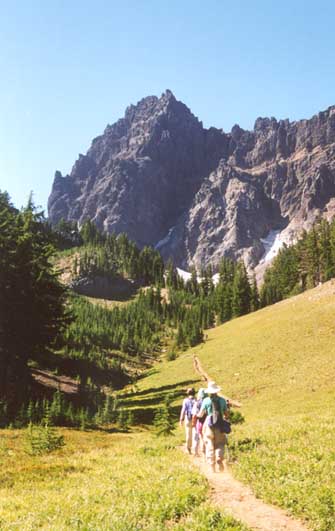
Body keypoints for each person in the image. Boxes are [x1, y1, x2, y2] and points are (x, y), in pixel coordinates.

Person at [197, 381, 229, 472]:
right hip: (219, 424)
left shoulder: (206, 401)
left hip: (208, 425)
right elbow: (226, 414)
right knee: (220, 443)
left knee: (209, 444)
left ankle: (212, 466)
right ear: (217, 391)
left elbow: (201, 414)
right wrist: (225, 415)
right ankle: (219, 457)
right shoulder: (222, 400)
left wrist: (198, 416)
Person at [179, 387, 196, 454]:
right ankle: (195, 448)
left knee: (188, 433)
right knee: (195, 434)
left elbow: (183, 410)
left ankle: (188, 448)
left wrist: (181, 419)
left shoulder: (185, 400)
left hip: (188, 418)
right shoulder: (196, 400)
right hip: (195, 419)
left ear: (188, 393)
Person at [192, 388, 207, 457]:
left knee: (201, 438)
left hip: (200, 422)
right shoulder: (209, 401)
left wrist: (193, 423)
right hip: (210, 422)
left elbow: (195, 415)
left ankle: (204, 454)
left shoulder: (197, 403)